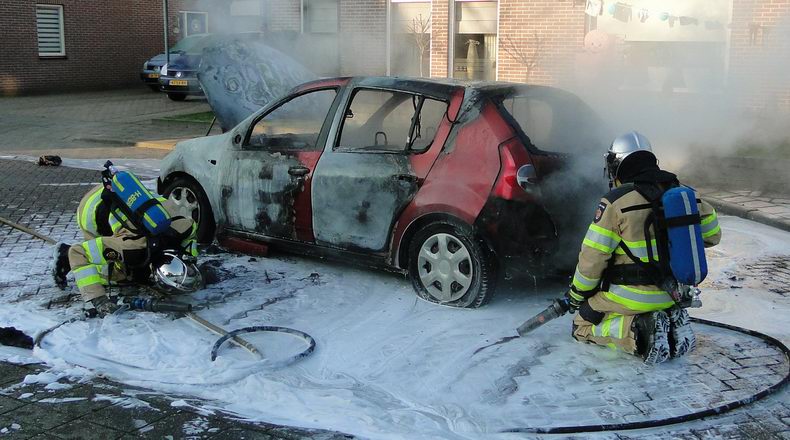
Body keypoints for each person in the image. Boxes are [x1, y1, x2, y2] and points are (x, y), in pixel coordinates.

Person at [565, 131, 721, 363]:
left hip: (632, 295)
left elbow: (592, 260)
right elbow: (712, 236)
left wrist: (576, 295)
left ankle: (639, 331)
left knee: (582, 324)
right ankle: (669, 321)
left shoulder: (615, 202)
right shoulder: (684, 194)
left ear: (616, 164)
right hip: (674, 292)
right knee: (646, 305)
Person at [52, 167, 201, 317]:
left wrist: (191, 259)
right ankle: (64, 255)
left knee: (137, 272)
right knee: (119, 275)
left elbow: (191, 235)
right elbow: (78, 252)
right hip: (91, 208)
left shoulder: (183, 228)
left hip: (123, 192)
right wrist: (100, 300)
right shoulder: (132, 247)